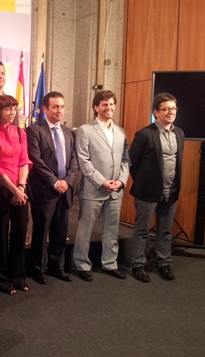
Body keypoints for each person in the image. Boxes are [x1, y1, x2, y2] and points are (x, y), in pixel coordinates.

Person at [73, 90, 130, 282]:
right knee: (85, 229)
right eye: (105, 104)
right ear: (96, 107)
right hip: (93, 188)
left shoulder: (121, 131)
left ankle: (110, 263)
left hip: (115, 190)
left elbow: (125, 160)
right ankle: (82, 263)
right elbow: (83, 160)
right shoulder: (85, 130)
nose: (109, 108)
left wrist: (121, 181)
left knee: (112, 229)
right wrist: (101, 181)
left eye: (112, 104)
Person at [130, 93, 184, 282]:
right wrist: (145, 181)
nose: (171, 112)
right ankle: (138, 265)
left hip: (171, 191)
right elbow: (133, 163)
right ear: (156, 112)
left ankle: (164, 263)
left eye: (174, 109)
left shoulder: (179, 133)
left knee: (165, 230)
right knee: (142, 230)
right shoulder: (145, 134)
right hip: (147, 192)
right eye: (166, 109)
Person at [26, 92, 79, 285]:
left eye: (62, 107)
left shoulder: (68, 132)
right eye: (55, 107)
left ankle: (58, 267)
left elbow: (74, 159)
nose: (59, 111)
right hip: (45, 190)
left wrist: (67, 181)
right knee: (41, 231)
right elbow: (36, 160)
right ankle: (39, 268)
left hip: (65, 189)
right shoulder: (34, 130)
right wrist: (55, 182)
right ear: (45, 109)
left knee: (60, 230)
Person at [0, 95, 32, 294]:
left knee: (20, 232)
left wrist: (21, 187)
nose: (12, 112)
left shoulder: (20, 132)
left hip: (20, 188)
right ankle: (0, 277)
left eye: (14, 109)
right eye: (8, 109)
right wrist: (13, 189)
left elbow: (24, 161)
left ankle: (18, 275)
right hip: (0, 189)